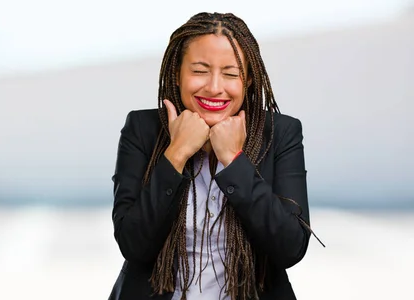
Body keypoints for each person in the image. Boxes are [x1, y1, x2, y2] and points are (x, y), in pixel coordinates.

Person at [108, 12, 323, 300]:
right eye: (199, 70)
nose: (214, 87)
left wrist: (234, 161)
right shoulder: (143, 129)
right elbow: (133, 245)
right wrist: (176, 153)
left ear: (246, 81)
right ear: (177, 73)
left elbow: (290, 248)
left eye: (231, 74)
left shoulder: (281, 133)